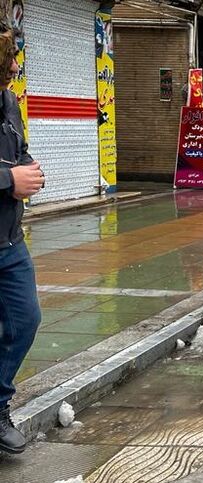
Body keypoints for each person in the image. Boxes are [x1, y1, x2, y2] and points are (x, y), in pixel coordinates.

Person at [0, 22, 43, 456]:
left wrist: (29, 169)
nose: (16, 64)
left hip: (9, 241)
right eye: (10, 57)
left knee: (25, 321)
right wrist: (6, 179)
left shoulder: (9, 101)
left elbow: (18, 150)